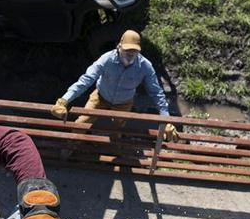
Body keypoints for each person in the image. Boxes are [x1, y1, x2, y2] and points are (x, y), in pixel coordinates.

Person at [50, 30, 178, 139]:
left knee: (118, 130)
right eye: (127, 49)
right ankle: (71, 146)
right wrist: (64, 100)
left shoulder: (145, 66)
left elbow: (156, 93)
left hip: (124, 103)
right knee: (82, 122)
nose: (130, 53)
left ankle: (113, 149)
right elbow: (86, 79)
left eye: (134, 50)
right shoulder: (106, 59)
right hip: (100, 97)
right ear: (119, 46)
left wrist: (166, 119)